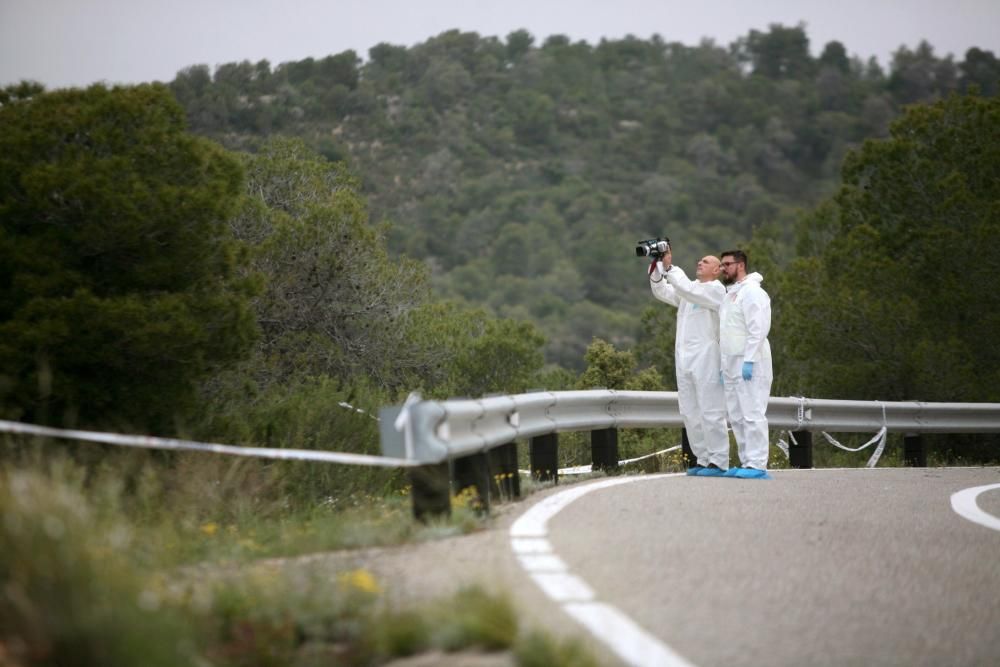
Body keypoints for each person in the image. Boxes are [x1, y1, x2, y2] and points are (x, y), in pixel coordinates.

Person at [648, 248, 730, 476]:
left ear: (717, 270)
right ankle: (703, 459)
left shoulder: (715, 290)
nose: (699, 262)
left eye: (705, 261)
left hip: (706, 357)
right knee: (690, 412)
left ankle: (719, 460)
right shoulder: (689, 292)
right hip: (684, 358)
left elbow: (687, 287)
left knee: (710, 410)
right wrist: (658, 269)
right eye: (699, 260)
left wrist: (671, 267)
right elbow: (663, 291)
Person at [717, 249, 773, 479]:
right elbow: (726, 332)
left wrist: (748, 360)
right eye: (721, 265)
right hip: (730, 362)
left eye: (727, 264)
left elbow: (758, 329)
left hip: (751, 362)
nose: (723, 269)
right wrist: (723, 365)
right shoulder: (730, 295)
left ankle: (758, 463)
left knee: (752, 413)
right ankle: (746, 461)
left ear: (740, 265)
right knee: (737, 416)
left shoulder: (752, 292)